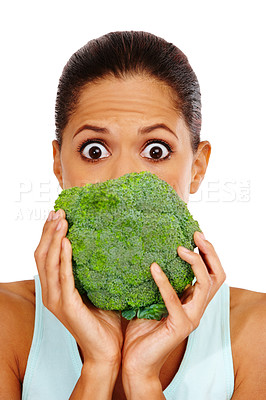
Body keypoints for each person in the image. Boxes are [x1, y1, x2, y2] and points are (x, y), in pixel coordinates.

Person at [0, 31, 265, 400]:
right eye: (94, 150)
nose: (124, 175)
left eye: (156, 150)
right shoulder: (6, 322)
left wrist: (142, 377)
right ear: (58, 165)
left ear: (198, 167)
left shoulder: (255, 331)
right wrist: (98, 364)